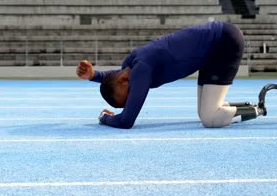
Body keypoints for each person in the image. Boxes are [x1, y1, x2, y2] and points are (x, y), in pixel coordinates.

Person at [76, 20, 264, 129]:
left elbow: (126, 121)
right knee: (205, 112)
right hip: (213, 47)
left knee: (209, 118)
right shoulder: (130, 65)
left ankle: (257, 110)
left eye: (126, 98)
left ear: (124, 81)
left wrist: (104, 118)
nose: (131, 99)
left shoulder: (140, 70)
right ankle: (245, 106)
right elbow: (113, 77)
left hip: (224, 42)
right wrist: (94, 75)